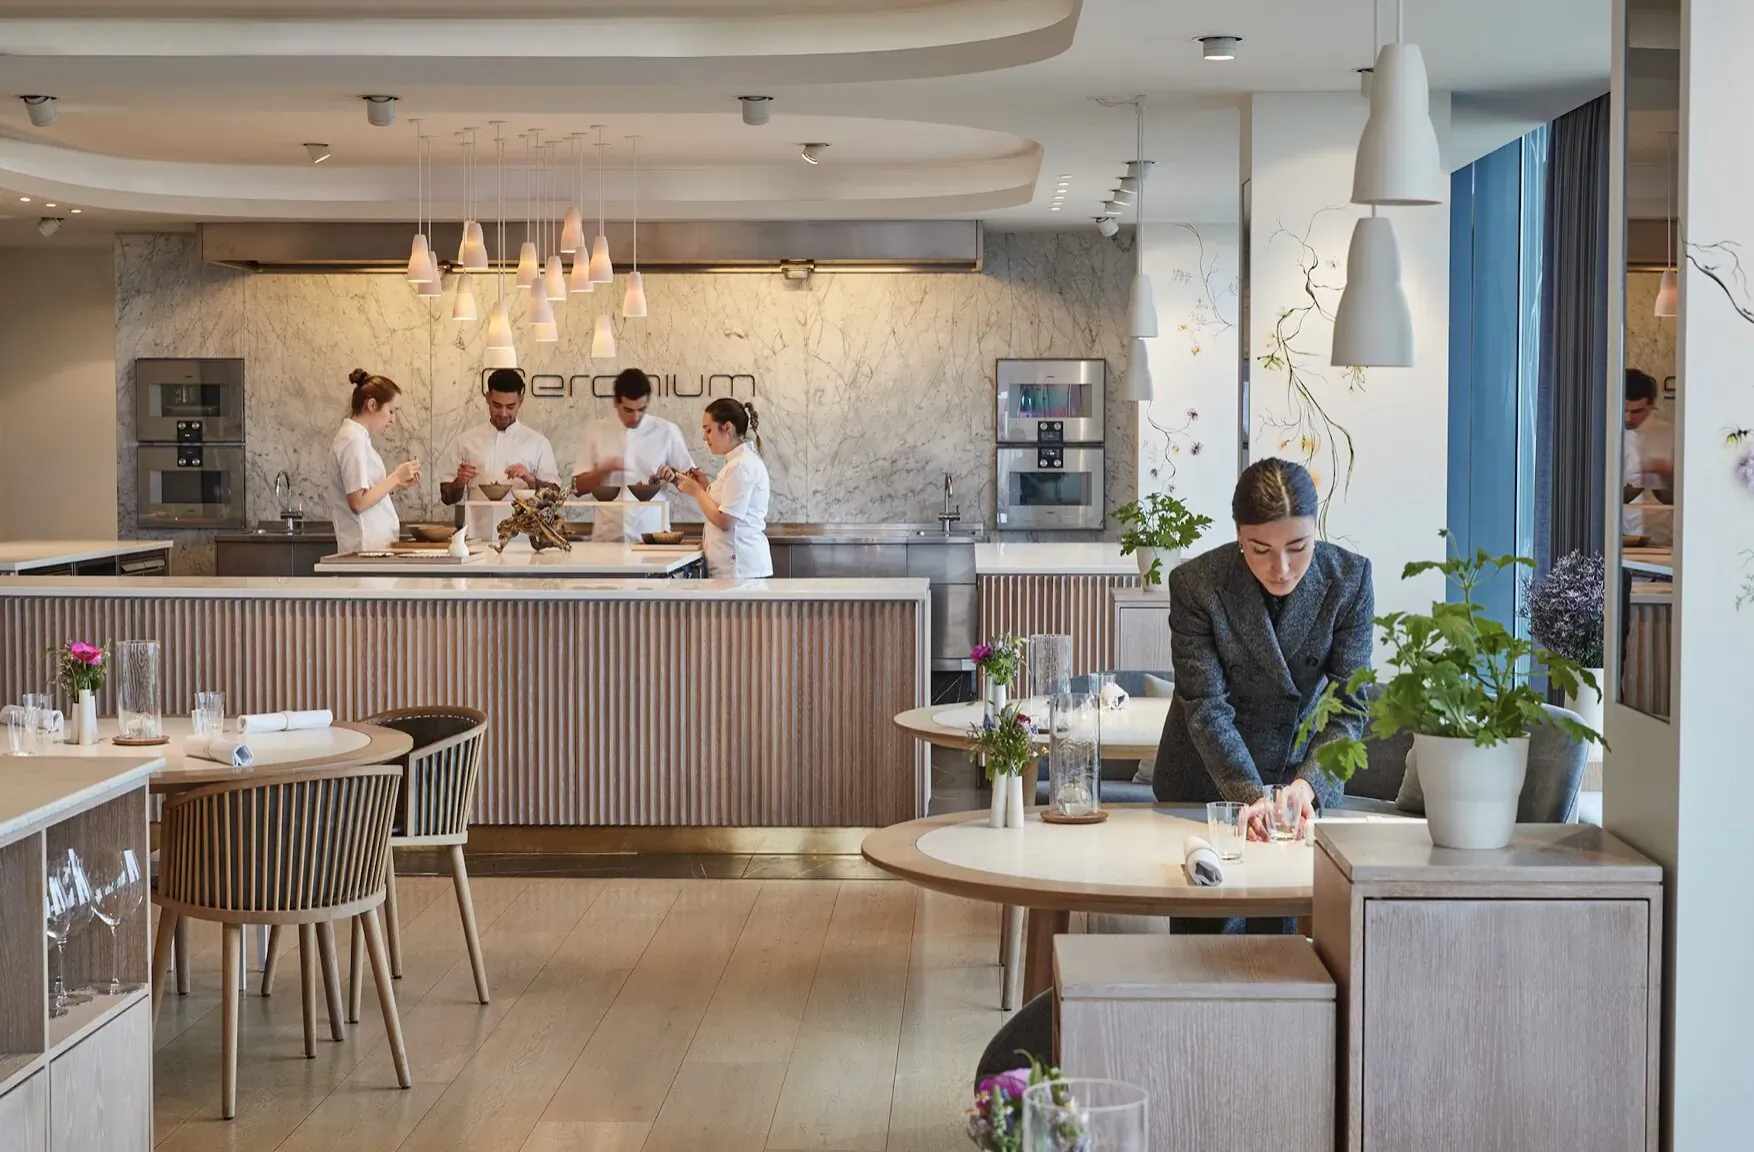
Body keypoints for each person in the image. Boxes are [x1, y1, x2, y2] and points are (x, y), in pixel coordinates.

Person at [1153, 457, 1374, 848]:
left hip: (1298, 782)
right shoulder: (1196, 585)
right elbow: (1206, 706)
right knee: (1210, 902)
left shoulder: (1349, 581)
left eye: (1297, 547)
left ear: (1315, 529)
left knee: (1286, 905)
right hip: (1209, 781)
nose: (1282, 568)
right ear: (1239, 535)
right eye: (1260, 549)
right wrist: (1249, 794)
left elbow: (1348, 706)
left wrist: (1309, 784)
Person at [572, 369, 695, 541]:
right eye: (628, 410)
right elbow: (576, 488)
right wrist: (602, 471)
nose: (635, 416)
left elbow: (695, 484)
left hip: (653, 538)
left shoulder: (667, 431)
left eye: (641, 409)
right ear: (616, 402)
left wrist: (674, 477)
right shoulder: (596, 431)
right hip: (607, 539)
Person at [441, 368, 561, 541]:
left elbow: (554, 496)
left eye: (510, 406)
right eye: (497, 405)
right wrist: (459, 482)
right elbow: (447, 497)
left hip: (524, 541)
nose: (503, 413)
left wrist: (530, 479)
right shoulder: (465, 441)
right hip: (476, 539)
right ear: (487, 398)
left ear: (521, 401)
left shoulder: (538, 443)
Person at [674, 398, 771, 578]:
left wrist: (697, 491)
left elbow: (725, 521)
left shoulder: (742, 465)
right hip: (734, 568)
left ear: (727, 428)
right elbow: (724, 505)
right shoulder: (736, 463)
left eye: (708, 430)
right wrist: (703, 485)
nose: (705, 437)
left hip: (740, 569)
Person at [329, 369, 420, 554]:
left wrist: (397, 481)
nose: (393, 420)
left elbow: (367, 494)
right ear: (372, 405)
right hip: (364, 550)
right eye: (391, 411)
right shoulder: (352, 440)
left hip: (372, 550)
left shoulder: (358, 439)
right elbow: (358, 503)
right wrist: (394, 477)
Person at [1622, 369, 1674, 546]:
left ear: (1652, 405)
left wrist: (1667, 479)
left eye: (1637, 411)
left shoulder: (1671, 435)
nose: (1628, 418)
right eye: (1624, 410)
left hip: (1664, 537)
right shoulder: (1603, 436)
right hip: (1618, 538)